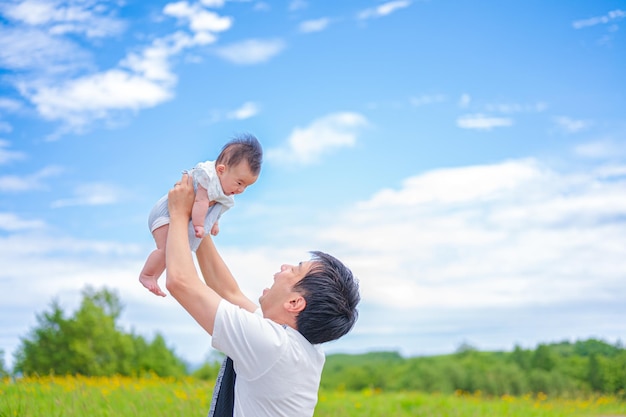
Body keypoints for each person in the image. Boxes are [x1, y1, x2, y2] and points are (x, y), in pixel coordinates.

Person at [165, 172, 361, 417]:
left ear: (294, 302)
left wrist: (177, 213)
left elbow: (180, 282)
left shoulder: (273, 347)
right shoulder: (295, 344)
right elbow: (228, 292)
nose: (283, 268)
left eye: (295, 269)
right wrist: (198, 224)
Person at [139, 134, 262, 297]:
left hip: (178, 214)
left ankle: (153, 276)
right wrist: (199, 226)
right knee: (166, 251)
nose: (241, 190)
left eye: (246, 186)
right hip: (165, 213)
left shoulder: (225, 190)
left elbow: (217, 210)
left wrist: (214, 223)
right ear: (221, 170)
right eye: (239, 183)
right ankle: (147, 275)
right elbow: (200, 203)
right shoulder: (207, 177)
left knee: (171, 253)